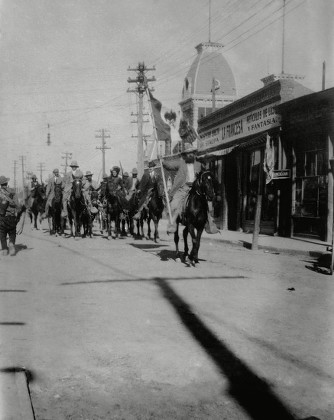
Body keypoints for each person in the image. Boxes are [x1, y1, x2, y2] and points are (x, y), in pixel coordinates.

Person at [162, 145, 218, 234]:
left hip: (196, 188)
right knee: (174, 205)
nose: (190, 155)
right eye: (188, 153)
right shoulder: (181, 163)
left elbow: (205, 174)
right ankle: (172, 224)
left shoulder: (199, 164)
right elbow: (170, 165)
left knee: (208, 205)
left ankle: (210, 224)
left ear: (194, 154)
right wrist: (163, 162)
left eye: (192, 153)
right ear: (185, 155)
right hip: (183, 188)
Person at [0, 175, 26, 256]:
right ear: (7, 183)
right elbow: (18, 205)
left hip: (2, 217)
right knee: (12, 233)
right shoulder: (12, 192)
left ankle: (4, 249)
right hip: (12, 217)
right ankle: (11, 243)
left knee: (2, 234)